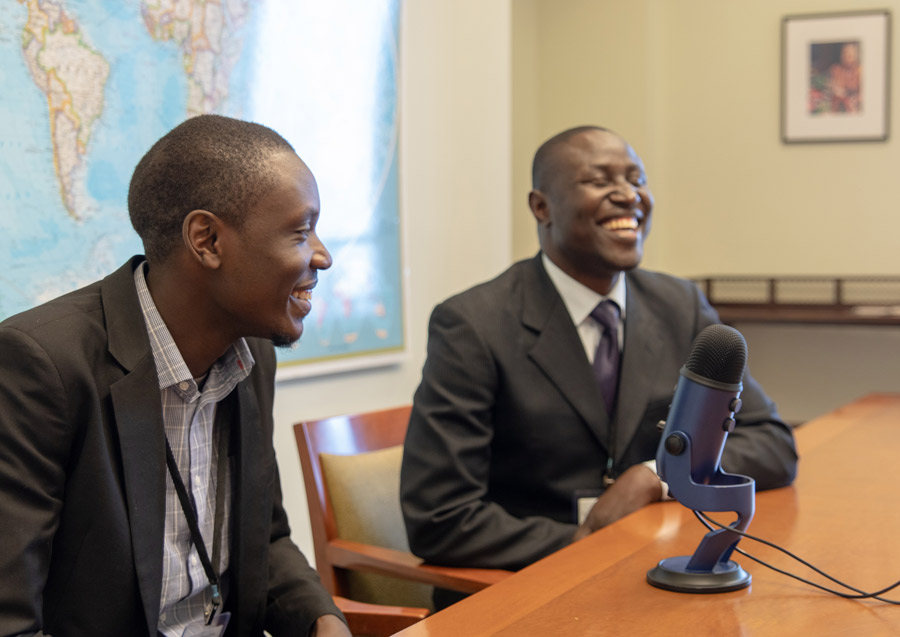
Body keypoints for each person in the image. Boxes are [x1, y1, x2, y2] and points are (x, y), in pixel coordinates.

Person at [400, 125, 798, 606]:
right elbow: (439, 519)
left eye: (637, 178)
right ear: (541, 207)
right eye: (599, 180)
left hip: (651, 573)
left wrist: (654, 476)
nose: (628, 195)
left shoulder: (680, 305)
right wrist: (587, 541)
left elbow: (773, 444)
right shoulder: (472, 325)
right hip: (523, 590)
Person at [0, 115, 350, 636]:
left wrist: (324, 620)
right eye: (300, 232)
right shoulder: (41, 366)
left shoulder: (253, 355)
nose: (321, 256)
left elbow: (266, 539)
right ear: (206, 240)